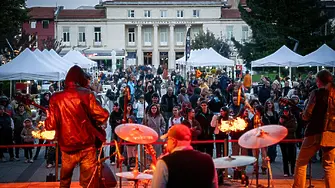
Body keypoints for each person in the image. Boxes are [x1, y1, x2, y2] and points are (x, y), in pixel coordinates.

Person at [45, 65, 109, 188]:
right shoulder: (87, 94)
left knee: (64, 181)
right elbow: (102, 116)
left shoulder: (55, 98)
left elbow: (50, 125)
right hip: (86, 145)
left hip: (67, 145)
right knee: (89, 182)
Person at [293, 70, 335, 188]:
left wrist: (302, 115)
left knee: (301, 162)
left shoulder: (316, 93)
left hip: (315, 132)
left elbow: (307, 115)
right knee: (329, 165)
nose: (316, 82)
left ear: (320, 81)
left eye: (317, 80)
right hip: (332, 134)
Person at [152, 124, 218, 188]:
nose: (166, 143)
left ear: (173, 141)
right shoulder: (208, 160)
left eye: (168, 139)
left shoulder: (164, 162)